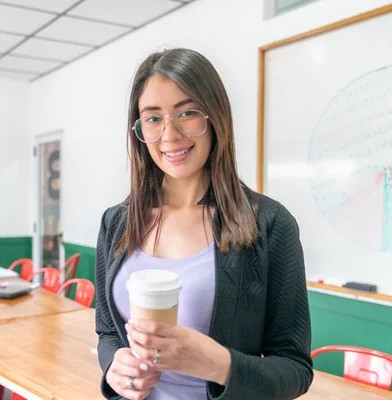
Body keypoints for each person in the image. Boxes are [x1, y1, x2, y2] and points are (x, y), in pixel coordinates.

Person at [95, 48, 313, 400]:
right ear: (138, 128)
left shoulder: (268, 224)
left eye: (187, 112)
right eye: (153, 118)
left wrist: (215, 363)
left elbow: (295, 371)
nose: (170, 134)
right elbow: (107, 331)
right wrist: (115, 364)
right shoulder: (116, 223)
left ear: (215, 117)